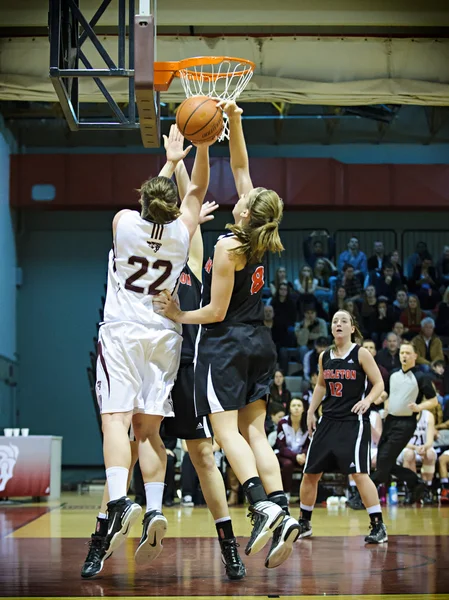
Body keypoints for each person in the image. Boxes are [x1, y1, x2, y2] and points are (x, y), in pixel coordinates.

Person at [155, 99, 300, 569]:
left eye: (242, 197)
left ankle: (259, 507)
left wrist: (178, 314)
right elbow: (240, 164)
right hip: (261, 342)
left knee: (224, 433)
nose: (239, 193)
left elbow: (214, 312)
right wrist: (234, 120)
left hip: (228, 344)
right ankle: (280, 506)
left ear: (245, 212)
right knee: (256, 430)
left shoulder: (227, 245)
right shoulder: (260, 236)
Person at [96, 125, 212, 567]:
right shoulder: (184, 234)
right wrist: (198, 149)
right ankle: (157, 508)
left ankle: (121, 502)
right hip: (165, 336)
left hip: (124, 330)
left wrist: (170, 158)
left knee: (115, 421)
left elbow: (161, 198)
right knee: (148, 430)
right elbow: (196, 191)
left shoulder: (123, 223)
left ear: (143, 204)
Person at [297, 310, 388, 544]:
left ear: (352, 328)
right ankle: (304, 522)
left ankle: (378, 525)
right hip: (327, 419)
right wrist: (310, 411)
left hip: (353, 421)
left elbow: (378, 383)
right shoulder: (324, 356)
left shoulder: (362, 353)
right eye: (335, 321)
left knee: (359, 474)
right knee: (310, 473)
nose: (338, 324)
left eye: (343, 321)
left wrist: (368, 401)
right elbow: (320, 385)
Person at [370, 342, 438, 503]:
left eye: (408, 353)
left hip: (406, 423)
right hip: (390, 421)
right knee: (383, 461)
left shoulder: (421, 377)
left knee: (385, 459)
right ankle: (415, 482)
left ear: (415, 356)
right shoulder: (393, 374)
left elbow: (434, 400)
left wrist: (419, 407)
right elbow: (387, 392)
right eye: (402, 353)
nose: (404, 356)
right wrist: (381, 399)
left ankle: (363, 493)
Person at [396, 409, 436, 505]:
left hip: (423, 448)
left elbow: (430, 441)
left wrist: (424, 447)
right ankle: (411, 490)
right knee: (409, 454)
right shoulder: (401, 415)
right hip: (405, 448)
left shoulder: (428, 415)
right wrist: (415, 448)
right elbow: (399, 441)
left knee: (430, 454)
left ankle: (426, 490)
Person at [276, 399, 309, 497]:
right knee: (287, 464)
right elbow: (281, 446)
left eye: (299, 405)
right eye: (293, 405)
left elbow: (309, 444)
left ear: (303, 409)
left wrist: (303, 455)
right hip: (286, 455)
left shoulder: (308, 423)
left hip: (302, 456)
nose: (296, 408)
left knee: (309, 464)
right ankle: (286, 493)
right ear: (289, 408)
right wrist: (295, 456)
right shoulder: (282, 423)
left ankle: (304, 494)